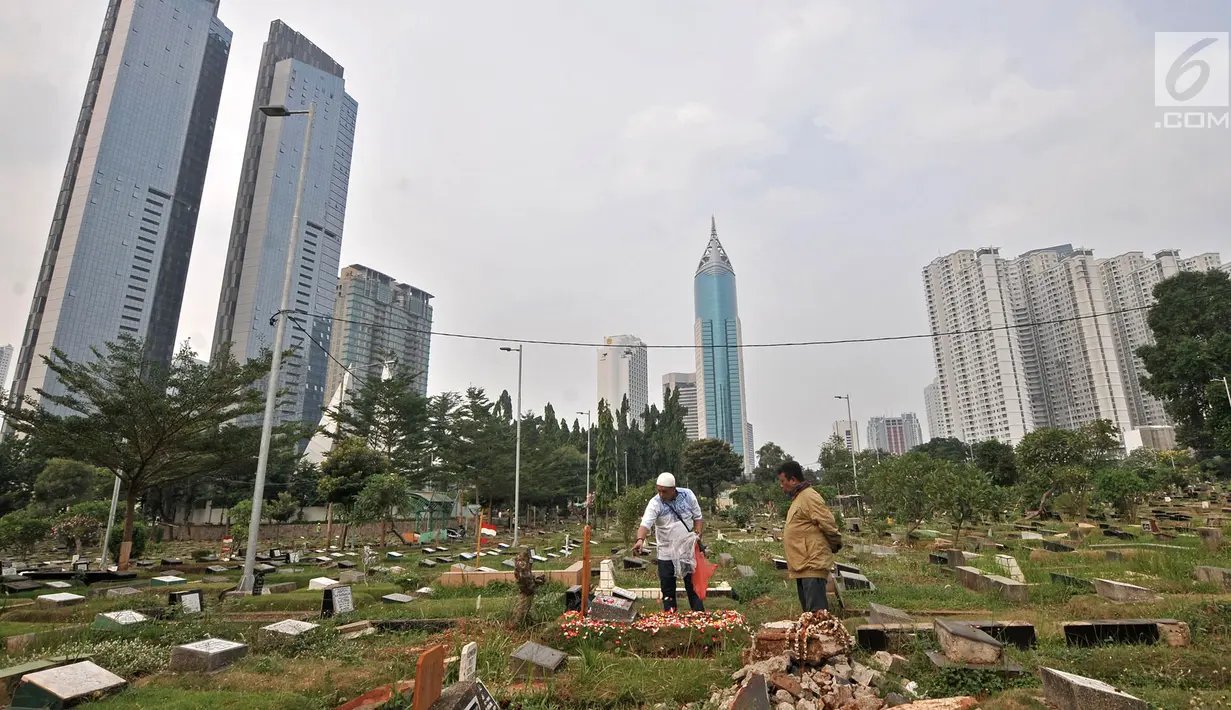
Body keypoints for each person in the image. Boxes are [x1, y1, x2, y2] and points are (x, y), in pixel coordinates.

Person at [633, 472, 705, 612]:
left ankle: (699, 617)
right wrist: (640, 539)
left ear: (673, 489)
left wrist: (697, 533)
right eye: (658, 491)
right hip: (666, 552)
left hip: (687, 551)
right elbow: (645, 524)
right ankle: (671, 619)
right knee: (667, 589)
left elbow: (698, 516)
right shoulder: (655, 503)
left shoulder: (688, 495)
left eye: (664, 491)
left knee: (693, 586)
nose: (661, 494)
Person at [777, 460, 842, 613]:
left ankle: (823, 637)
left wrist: (834, 544)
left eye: (783, 481)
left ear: (793, 480)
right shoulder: (799, 497)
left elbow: (828, 524)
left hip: (812, 564)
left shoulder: (809, 497)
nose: (781, 485)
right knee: (809, 616)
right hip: (802, 565)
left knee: (816, 616)